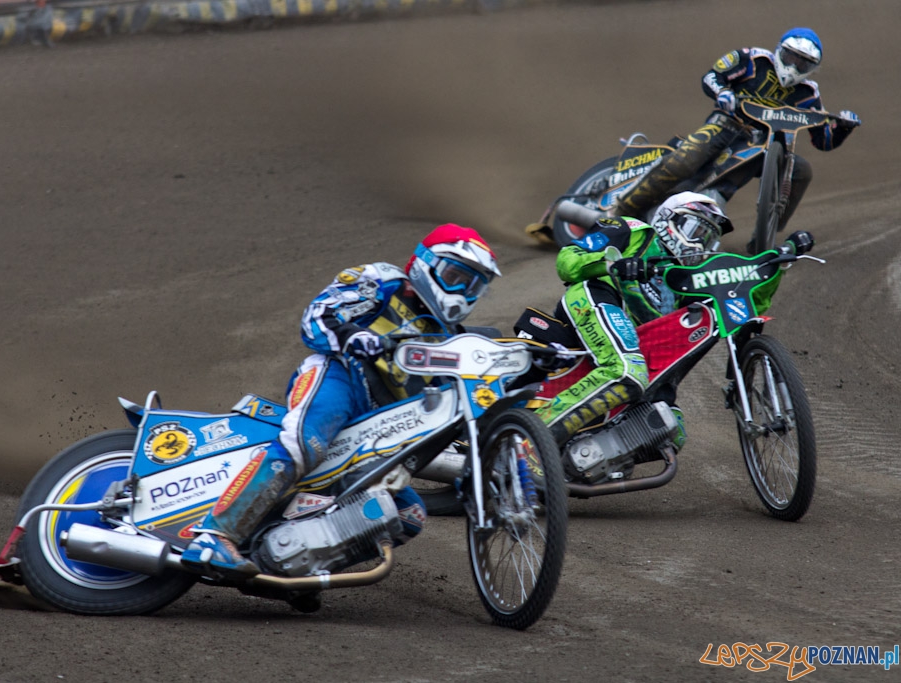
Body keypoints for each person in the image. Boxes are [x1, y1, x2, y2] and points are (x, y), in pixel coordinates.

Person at [181, 224, 501, 579]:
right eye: (455, 276)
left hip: (381, 425)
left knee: (408, 514)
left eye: (473, 286)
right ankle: (214, 536)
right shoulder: (382, 281)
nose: (461, 292)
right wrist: (355, 335)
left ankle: (296, 564)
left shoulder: (448, 339)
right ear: (425, 263)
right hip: (340, 376)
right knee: (304, 445)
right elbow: (316, 316)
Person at [522, 192, 814, 448]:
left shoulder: (693, 278)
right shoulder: (633, 230)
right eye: (695, 229)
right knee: (627, 372)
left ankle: (574, 457)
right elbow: (568, 260)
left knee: (669, 428)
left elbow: (745, 306)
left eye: (709, 237)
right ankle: (534, 437)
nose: (701, 242)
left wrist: (780, 263)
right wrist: (612, 265)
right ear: (668, 220)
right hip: (594, 301)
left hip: (637, 344)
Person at [611, 27, 860, 251]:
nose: (794, 67)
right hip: (728, 125)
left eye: (803, 64)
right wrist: (723, 92)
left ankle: (766, 233)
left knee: (802, 171)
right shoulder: (753, 60)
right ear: (779, 51)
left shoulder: (808, 93)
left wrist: (843, 127)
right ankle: (623, 208)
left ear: (812, 69)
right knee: (687, 161)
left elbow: (823, 140)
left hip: (767, 147)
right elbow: (712, 75)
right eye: (791, 58)